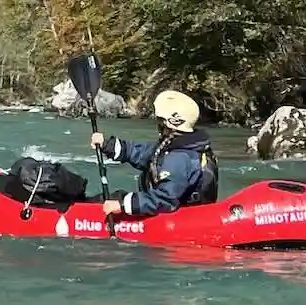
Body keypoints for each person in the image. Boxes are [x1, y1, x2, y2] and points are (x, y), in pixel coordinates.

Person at [90, 90, 219, 219]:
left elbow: (165, 199)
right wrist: (107, 145)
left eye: (161, 121)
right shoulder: (179, 146)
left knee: (112, 199)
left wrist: (122, 205)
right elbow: (142, 152)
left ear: (171, 122)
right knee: (115, 196)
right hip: (168, 208)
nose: (158, 124)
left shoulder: (179, 159)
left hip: (173, 217)